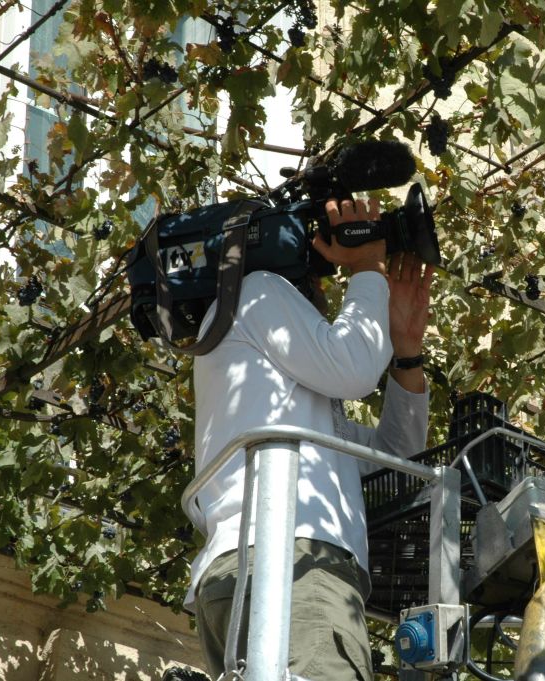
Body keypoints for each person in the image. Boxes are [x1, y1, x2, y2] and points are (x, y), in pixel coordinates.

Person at [184, 197, 435, 681]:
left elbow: (394, 457)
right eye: (321, 276)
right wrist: (366, 267)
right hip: (289, 565)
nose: (324, 288)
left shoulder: (283, 384)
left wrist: (406, 352)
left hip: (259, 568)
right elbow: (356, 366)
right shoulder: (257, 293)